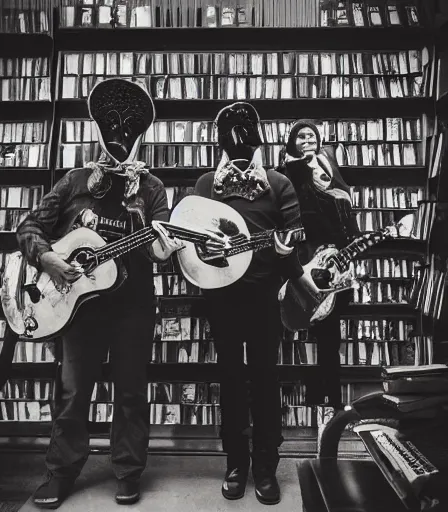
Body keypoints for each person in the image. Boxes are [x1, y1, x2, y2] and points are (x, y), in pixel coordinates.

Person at [15, 78, 183, 508]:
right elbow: (29, 227)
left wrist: (143, 217)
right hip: (77, 309)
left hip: (133, 307)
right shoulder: (74, 181)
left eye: (128, 132)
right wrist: (48, 258)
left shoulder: (151, 189)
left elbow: (162, 250)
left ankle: (127, 471)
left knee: (130, 391)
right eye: (111, 131)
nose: (119, 139)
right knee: (73, 392)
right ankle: (61, 471)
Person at [193, 102, 316, 505]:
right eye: (231, 133)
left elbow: (296, 230)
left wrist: (287, 250)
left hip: (264, 297)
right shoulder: (207, 183)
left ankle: (265, 465)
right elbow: (190, 239)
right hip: (221, 297)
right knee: (229, 379)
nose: (239, 141)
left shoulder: (278, 182)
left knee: (265, 379)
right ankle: (235, 463)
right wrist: (203, 246)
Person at [280, 119, 361, 409]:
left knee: (330, 337)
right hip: (305, 262)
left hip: (336, 261)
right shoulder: (288, 172)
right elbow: (300, 214)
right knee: (297, 329)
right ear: (292, 142)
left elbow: (344, 207)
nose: (307, 139)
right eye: (300, 136)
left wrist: (352, 246)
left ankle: (335, 405)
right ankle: (307, 402)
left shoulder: (330, 166)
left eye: (311, 135)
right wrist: (300, 167)